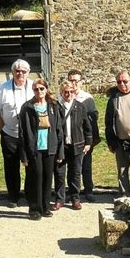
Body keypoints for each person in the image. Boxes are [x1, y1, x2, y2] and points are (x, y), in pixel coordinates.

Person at [19, 79, 64, 220]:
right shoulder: (27, 107)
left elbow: (59, 129)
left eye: (41, 88)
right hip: (34, 148)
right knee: (35, 178)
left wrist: (60, 151)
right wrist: (24, 155)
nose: (39, 91)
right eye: (36, 89)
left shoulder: (54, 106)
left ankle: (45, 206)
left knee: (47, 177)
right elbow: (22, 132)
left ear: (46, 89)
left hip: (50, 147)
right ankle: (34, 208)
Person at [0, 59, 34, 208]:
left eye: (23, 71)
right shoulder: (3, 89)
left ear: (28, 72)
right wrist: (2, 130)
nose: (20, 73)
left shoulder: (34, 87)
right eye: (17, 71)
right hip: (9, 134)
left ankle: (30, 195)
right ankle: (13, 196)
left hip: (30, 136)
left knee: (31, 166)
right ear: (12, 72)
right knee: (11, 167)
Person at [53, 81, 92, 211]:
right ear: (61, 93)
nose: (68, 94)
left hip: (77, 145)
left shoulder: (80, 107)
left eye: (71, 92)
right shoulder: (56, 107)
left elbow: (87, 126)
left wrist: (88, 142)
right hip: (61, 146)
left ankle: (75, 198)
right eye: (65, 92)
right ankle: (60, 199)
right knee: (59, 173)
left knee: (75, 172)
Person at [67, 70, 101, 202]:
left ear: (81, 82)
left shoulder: (87, 98)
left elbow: (94, 116)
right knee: (71, 167)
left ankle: (88, 190)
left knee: (86, 166)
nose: (73, 83)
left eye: (76, 81)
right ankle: (72, 192)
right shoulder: (64, 95)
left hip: (83, 137)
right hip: (69, 137)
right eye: (71, 80)